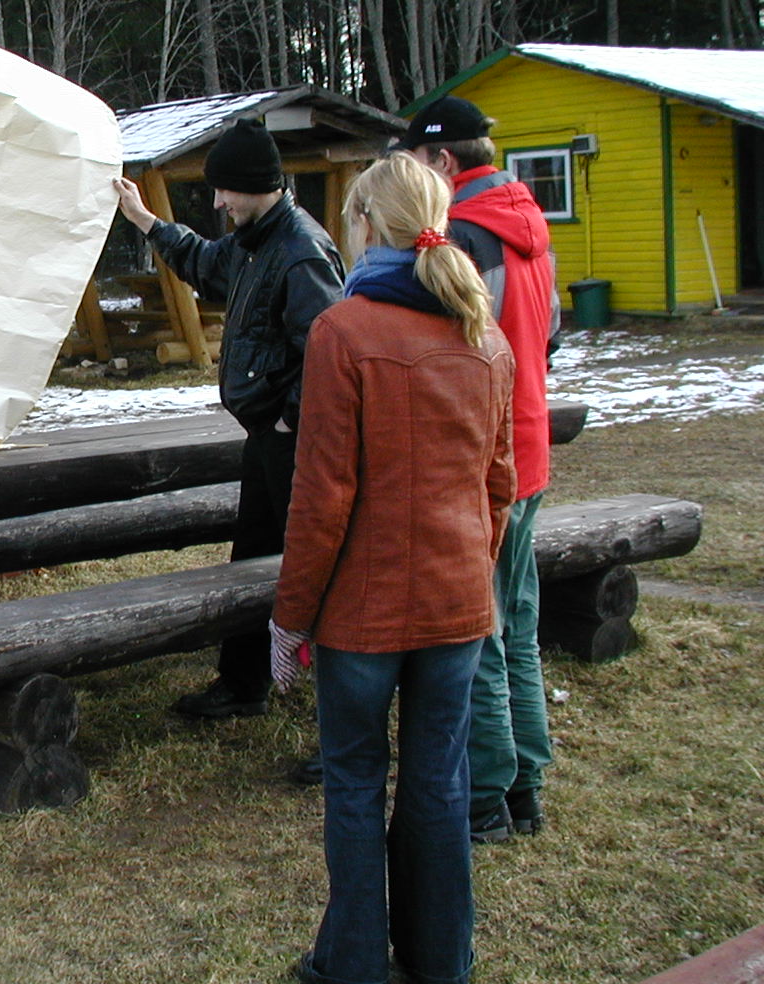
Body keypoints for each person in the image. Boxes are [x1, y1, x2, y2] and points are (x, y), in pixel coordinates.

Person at [271, 152, 516, 984]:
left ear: (369, 226)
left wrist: (289, 617)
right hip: (455, 605)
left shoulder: (345, 331)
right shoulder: (483, 336)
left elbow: (322, 498)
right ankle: (440, 964)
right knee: (439, 786)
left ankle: (354, 969)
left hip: (365, 616)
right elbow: (500, 487)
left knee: (353, 784)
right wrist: (471, 571)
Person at [113, 118, 344, 718]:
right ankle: (244, 685)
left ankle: (339, 703)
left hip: (297, 447)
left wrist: (293, 422)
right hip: (267, 439)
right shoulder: (253, 242)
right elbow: (203, 262)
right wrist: (145, 220)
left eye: (226, 191)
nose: (217, 202)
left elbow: (330, 357)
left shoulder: (300, 253)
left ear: (257, 185)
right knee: (253, 560)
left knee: (317, 569)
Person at [395, 95, 560, 842]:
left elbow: (459, 355)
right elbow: (549, 330)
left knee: (481, 631)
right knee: (517, 624)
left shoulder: (459, 235)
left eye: (414, 163)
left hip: (484, 457)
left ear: (443, 163)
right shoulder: (528, 222)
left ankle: (487, 793)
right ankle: (527, 784)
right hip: (528, 446)